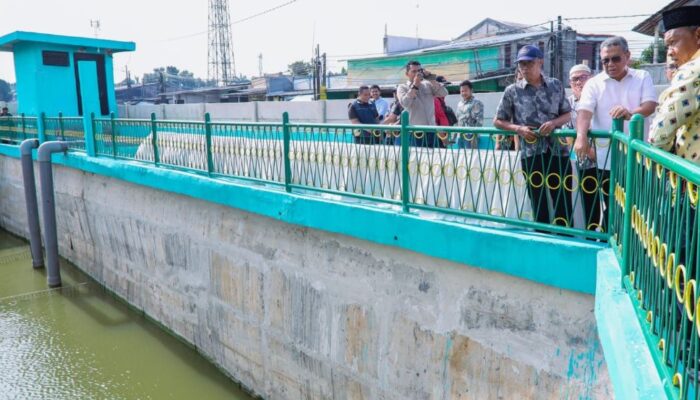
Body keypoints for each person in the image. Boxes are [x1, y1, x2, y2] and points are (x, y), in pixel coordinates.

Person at [574, 36, 657, 232]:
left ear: (627, 56)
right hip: (606, 159)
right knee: (611, 205)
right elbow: (584, 112)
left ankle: (634, 249)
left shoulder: (642, 76)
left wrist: (630, 113)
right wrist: (580, 137)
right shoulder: (594, 83)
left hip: (637, 157)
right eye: (605, 60)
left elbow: (650, 105)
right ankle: (613, 245)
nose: (610, 64)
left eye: (615, 59)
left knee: (637, 207)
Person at [494, 45, 573, 228]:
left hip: (557, 151)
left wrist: (553, 123)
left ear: (540, 62)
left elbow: (567, 114)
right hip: (531, 153)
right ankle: (542, 236)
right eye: (521, 64)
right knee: (537, 199)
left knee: (562, 197)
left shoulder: (555, 85)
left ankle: (565, 239)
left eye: (529, 63)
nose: (525, 67)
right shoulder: (512, 91)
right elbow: (498, 121)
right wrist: (518, 128)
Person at [649, 6, 700, 164]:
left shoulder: (692, 70)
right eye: (667, 46)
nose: (670, 52)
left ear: (698, 35)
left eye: (673, 42)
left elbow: (659, 136)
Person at [397, 60, 449, 147]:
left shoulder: (428, 84)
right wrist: (415, 86)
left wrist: (431, 78)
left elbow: (444, 93)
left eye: (419, 71)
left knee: (433, 159)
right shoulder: (402, 87)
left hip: (432, 130)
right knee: (416, 159)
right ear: (407, 74)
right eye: (414, 71)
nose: (417, 74)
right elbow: (405, 103)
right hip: (415, 132)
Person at [455, 79, 483, 149]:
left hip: (471, 135)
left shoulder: (476, 103)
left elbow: (479, 122)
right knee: (460, 157)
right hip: (460, 135)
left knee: (470, 158)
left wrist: (474, 137)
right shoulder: (460, 103)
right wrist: (455, 136)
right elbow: (457, 120)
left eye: (465, 90)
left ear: (471, 90)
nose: (463, 93)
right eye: (462, 91)